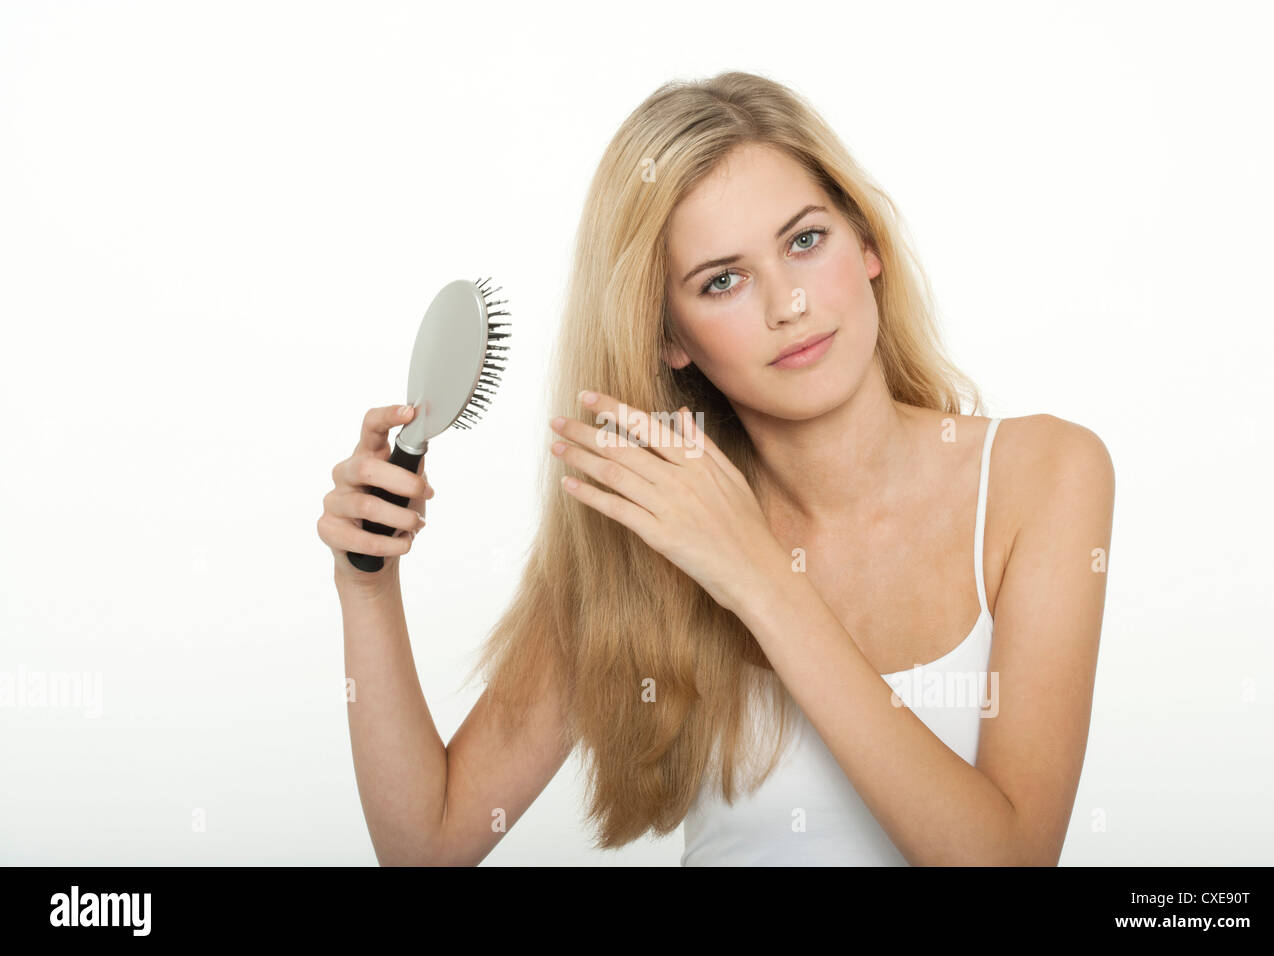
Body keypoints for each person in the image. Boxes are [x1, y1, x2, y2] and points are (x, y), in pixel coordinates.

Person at [317, 70, 1115, 866]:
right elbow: (428, 845)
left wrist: (758, 575)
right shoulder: (651, 522)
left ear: (866, 243)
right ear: (672, 339)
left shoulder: (1043, 475)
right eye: (722, 280)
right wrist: (366, 587)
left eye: (806, 240)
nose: (787, 304)